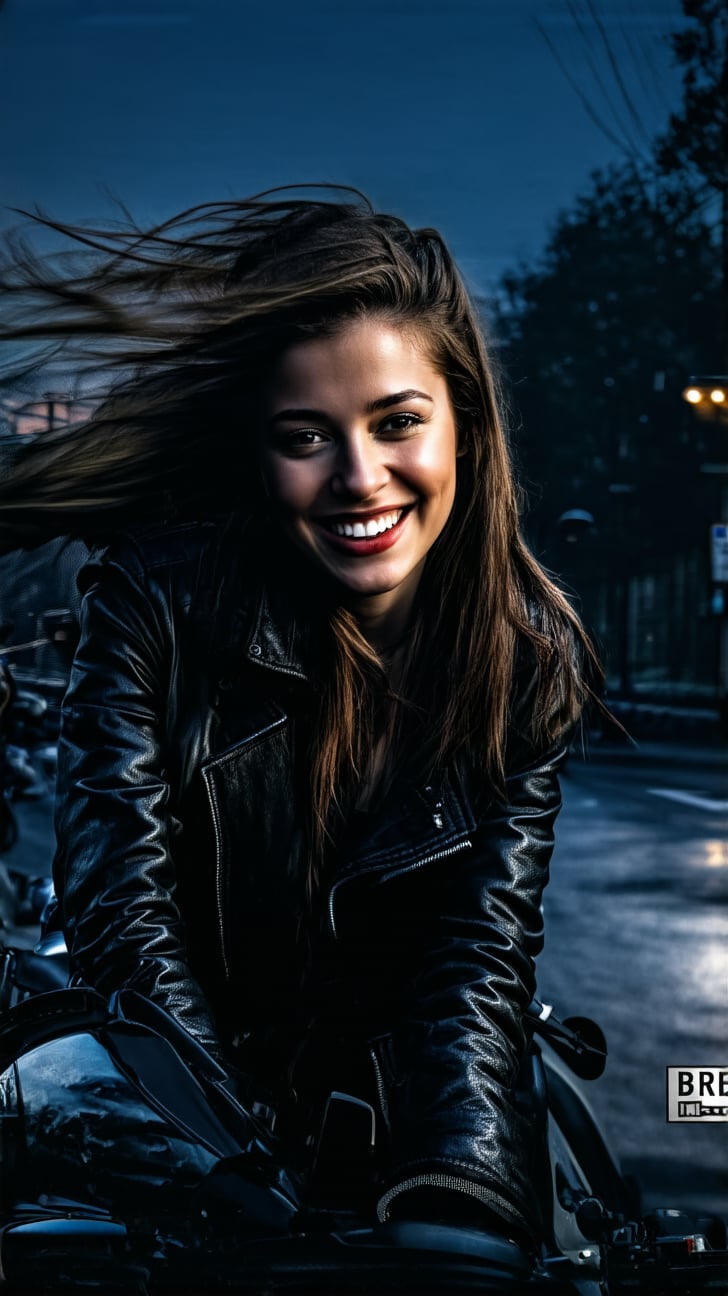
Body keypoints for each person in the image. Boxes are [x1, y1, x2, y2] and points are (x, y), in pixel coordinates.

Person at [0, 190, 600, 1248]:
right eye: (304, 437)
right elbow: (121, 913)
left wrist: (454, 1197)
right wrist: (233, 1173)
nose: (359, 479)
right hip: (192, 1133)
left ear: (463, 418)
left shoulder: (524, 660)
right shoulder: (151, 600)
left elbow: (477, 954)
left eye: (398, 422)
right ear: (258, 451)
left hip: (416, 1132)